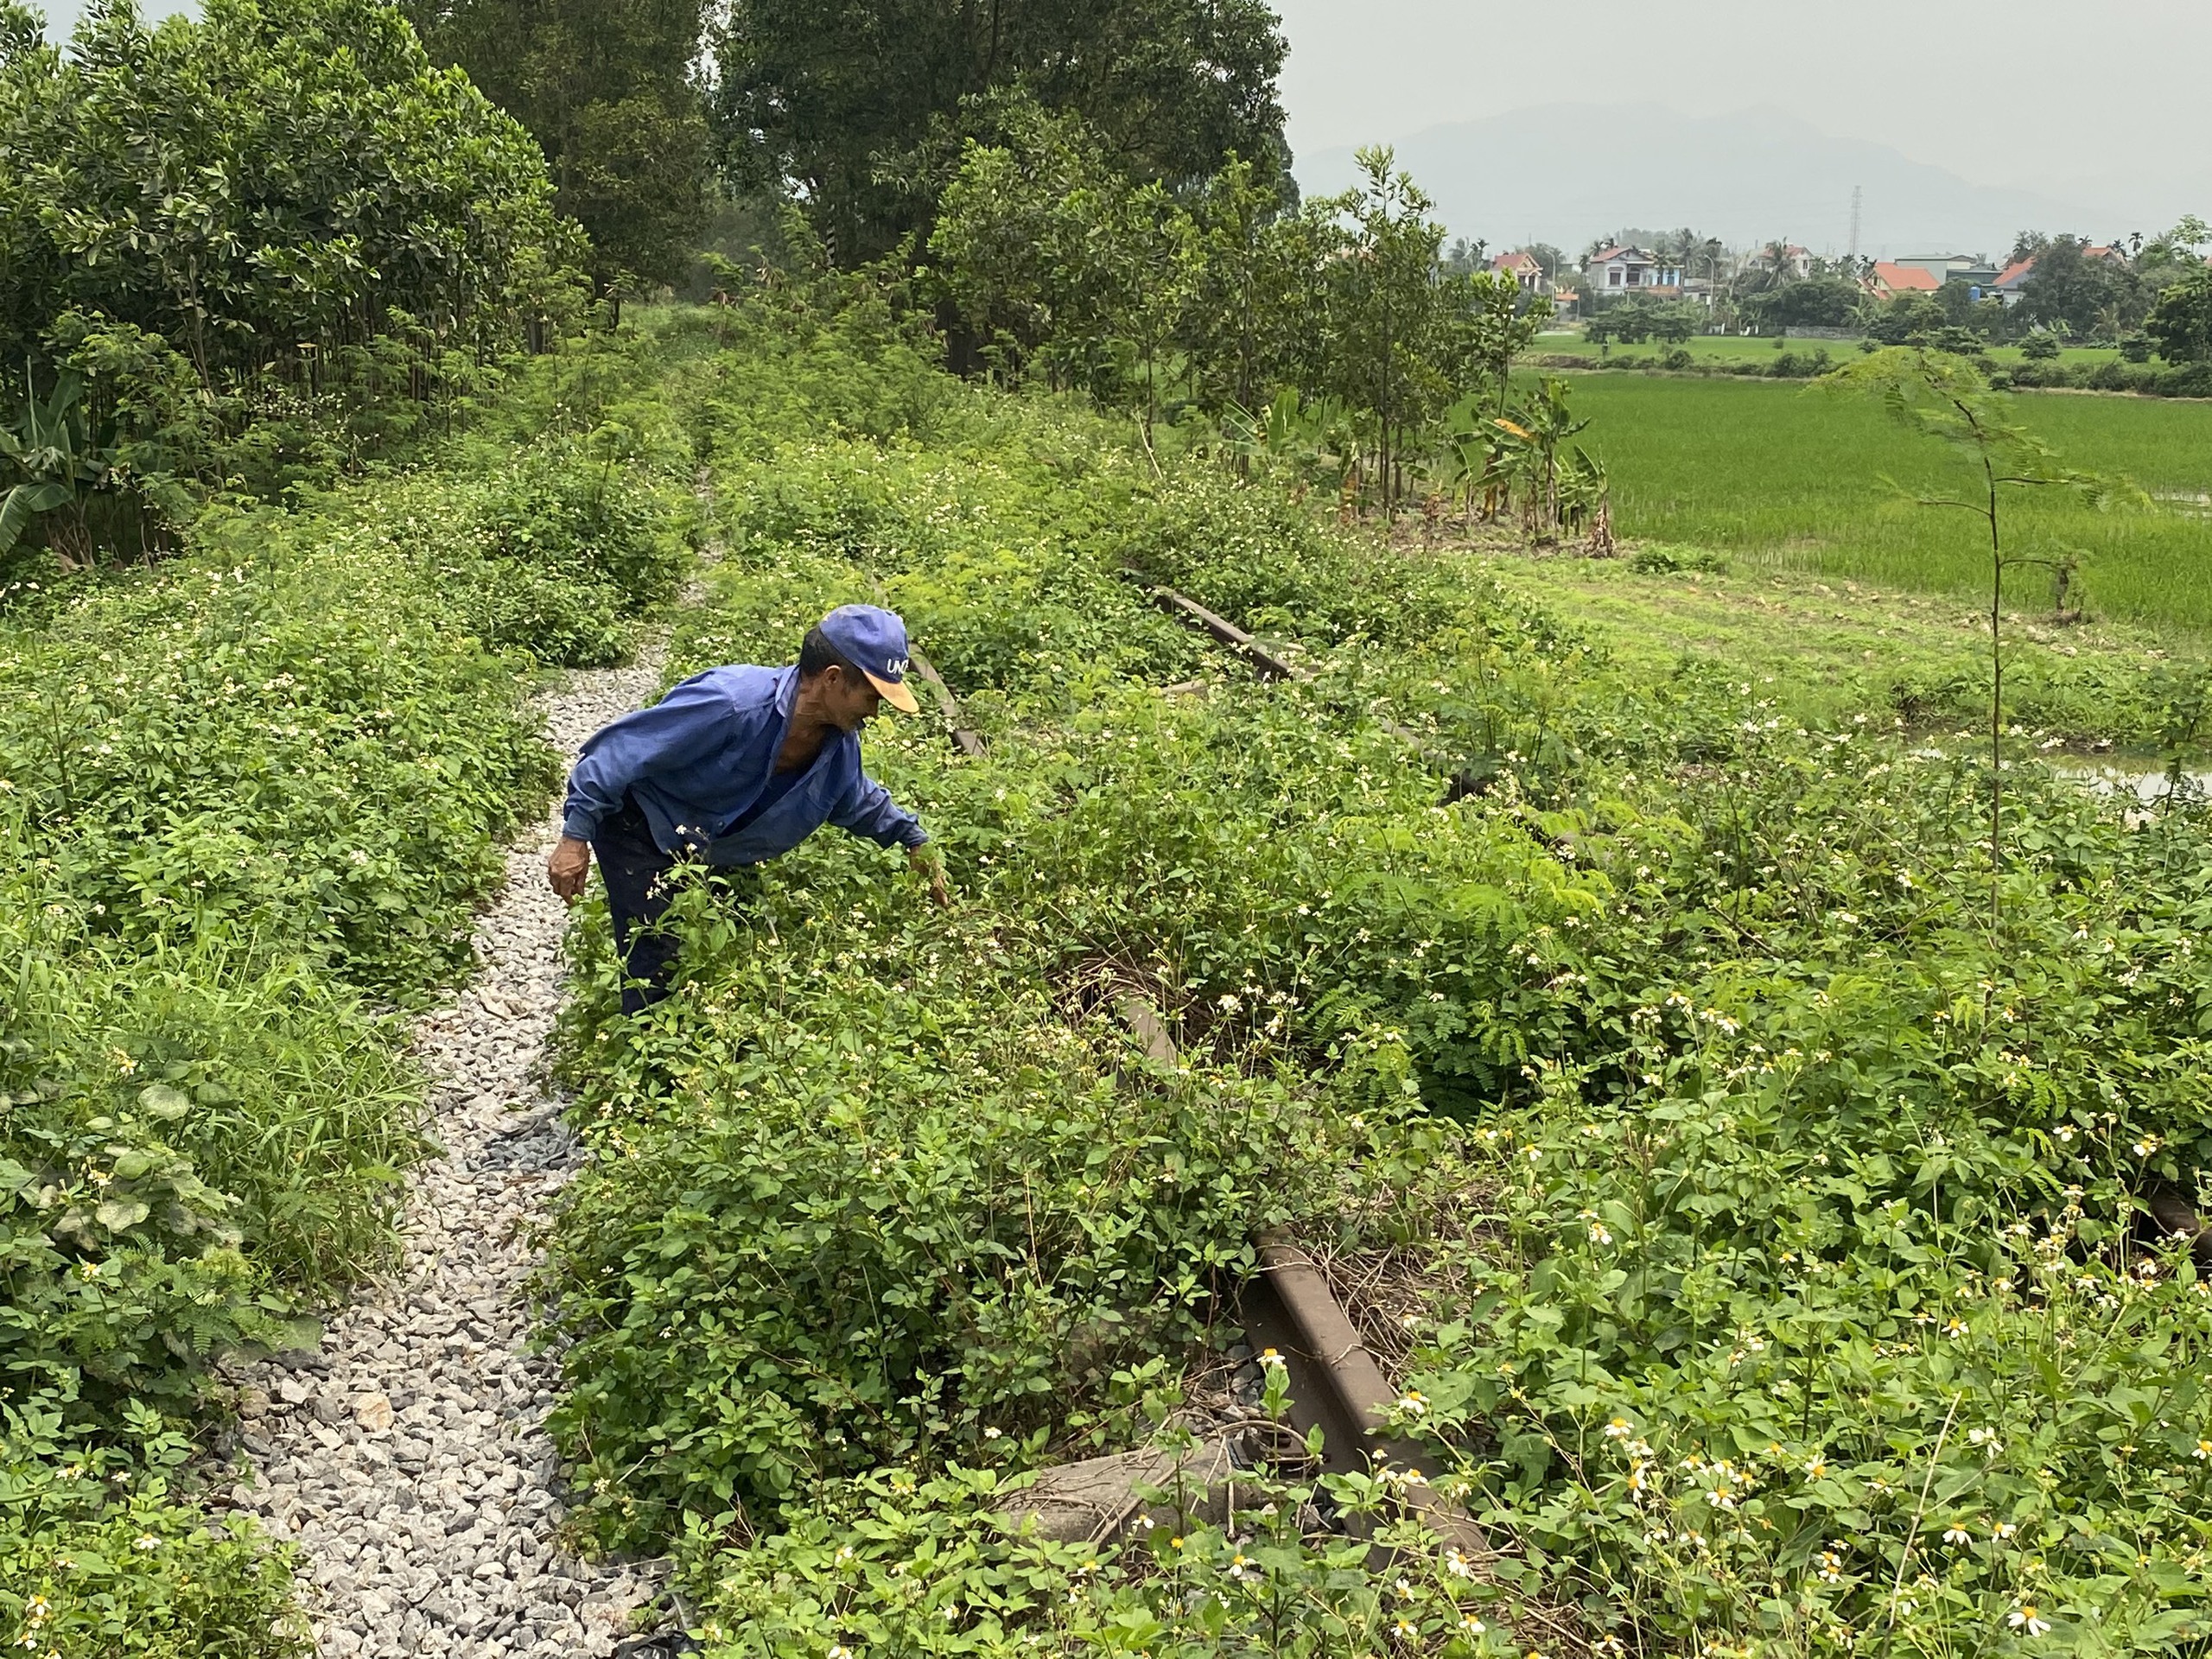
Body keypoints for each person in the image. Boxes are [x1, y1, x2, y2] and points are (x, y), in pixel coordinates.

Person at [548, 603, 950, 1014]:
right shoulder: (731, 703)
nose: (874, 712)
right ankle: (643, 1041)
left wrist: (914, 839)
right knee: (656, 963)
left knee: (726, 953)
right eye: (871, 696)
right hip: (641, 825)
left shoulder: (838, 745)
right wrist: (575, 837)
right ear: (832, 679)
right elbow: (614, 755)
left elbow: (855, 796)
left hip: (714, 847)